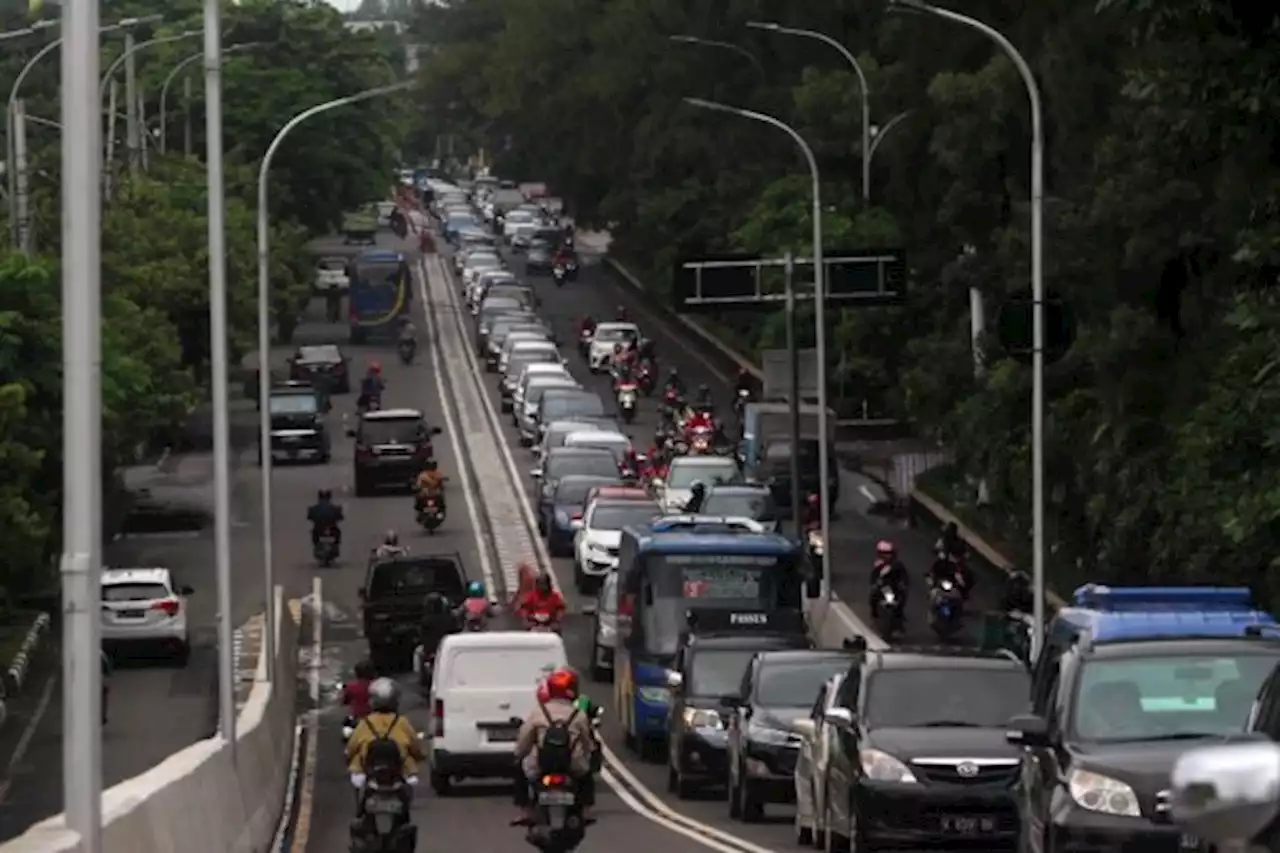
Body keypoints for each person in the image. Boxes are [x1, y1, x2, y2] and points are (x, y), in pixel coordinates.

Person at [512, 668, 595, 824]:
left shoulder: (539, 712)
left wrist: (519, 753)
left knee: (520, 770)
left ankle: (525, 811)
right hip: (572, 764)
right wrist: (589, 753)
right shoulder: (578, 714)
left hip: (540, 764)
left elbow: (524, 738)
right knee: (587, 776)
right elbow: (587, 742)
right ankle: (585, 811)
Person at [345, 678, 424, 816]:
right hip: (400, 772)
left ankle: (360, 811)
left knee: (357, 780)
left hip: (367, 772)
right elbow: (416, 747)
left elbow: (351, 747)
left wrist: (349, 756)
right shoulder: (402, 722)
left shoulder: (365, 722)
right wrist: (420, 756)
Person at [869, 539, 909, 618]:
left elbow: (904, 575)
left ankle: (899, 614)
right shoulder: (878, 565)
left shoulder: (897, 564)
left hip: (895, 586)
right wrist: (875, 583)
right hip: (884, 586)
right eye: (884, 553)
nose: (886, 555)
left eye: (888, 553)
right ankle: (874, 612)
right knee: (873, 595)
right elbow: (874, 576)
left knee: (903, 596)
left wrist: (903, 583)